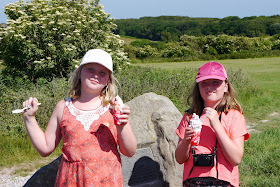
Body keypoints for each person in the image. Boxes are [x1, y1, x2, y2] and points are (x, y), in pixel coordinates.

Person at [22, 49, 137, 186]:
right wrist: (30, 119)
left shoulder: (114, 107)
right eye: (90, 69)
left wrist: (122, 126)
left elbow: (129, 151)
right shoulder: (63, 107)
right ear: (79, 73)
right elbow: (45, 148)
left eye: (102, 72)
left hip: (106, 180)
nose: (96, 75)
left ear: (108, 80)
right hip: (71, 180)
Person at [175, 61, 249, 187]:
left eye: (216, 82)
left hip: (224, 182)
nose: (209, 87)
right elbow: (180, 159)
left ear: (226, 86)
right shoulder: (189, 117)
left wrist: (216, 124)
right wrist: (186, 140)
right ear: (198, 88)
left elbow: (236, 159)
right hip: (193, 181)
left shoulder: (234, 116)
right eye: (204, 83)